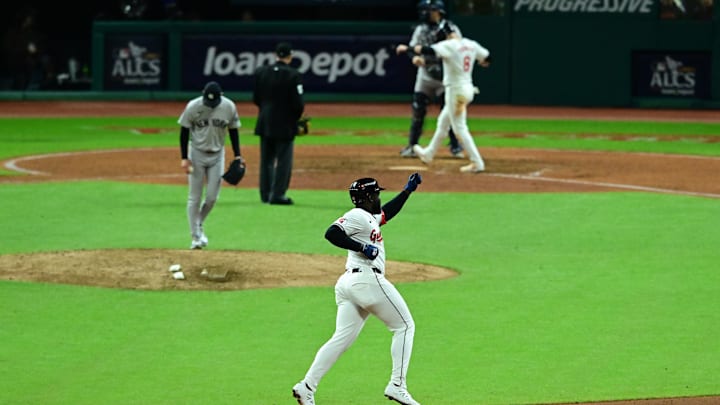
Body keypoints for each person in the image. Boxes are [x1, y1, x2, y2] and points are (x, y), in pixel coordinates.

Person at [292, 173, 423, 405]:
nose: (380, 197)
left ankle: (307, 386)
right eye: (377, 194)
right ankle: (397, 385)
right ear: (369, 196)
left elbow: (386, 214)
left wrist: (407, 191)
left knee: (341, 338)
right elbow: (332, 233)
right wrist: (361, 246)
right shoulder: (356, 215)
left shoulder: (367, 218)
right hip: (366, 280)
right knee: (404, 325)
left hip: (348, 284)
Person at [397, 20, 491, 173]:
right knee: (443, 122)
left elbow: (426, 50)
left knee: (460, 128)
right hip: (468, 89)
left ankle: (477, 162)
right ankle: (429, 153)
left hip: (456, 92)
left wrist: (407, 48)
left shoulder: (449, 45)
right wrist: (482, 62)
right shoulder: (470, 43)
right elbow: (487, 58)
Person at [178, 81, 243, 249]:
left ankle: (198, 222)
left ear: (221, 96)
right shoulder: (193, 106)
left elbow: (233, 130)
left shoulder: (229, 106)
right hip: (196, 154)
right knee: (194, 196)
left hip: (217, 155)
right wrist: (184, 157)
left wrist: (238, 155)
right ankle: (195, 237)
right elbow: (184, 131)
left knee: (212, 197)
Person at [397, 0, 464, 159]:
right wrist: (415, 58)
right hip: (425, 76)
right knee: (418, 110)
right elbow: (414, 48)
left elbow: (457, 52)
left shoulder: (451, 29)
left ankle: (455, 146)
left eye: (430, 10)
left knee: (448, 112)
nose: (426, 13)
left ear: (438, 11)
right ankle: (412, 146)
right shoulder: (421, 29)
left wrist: (426, 59)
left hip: (445, 76)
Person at [252, 41, 305, 205]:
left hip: (264, 121)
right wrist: (295, 120)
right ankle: (278, 195)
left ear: (276, 55)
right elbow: (298, 104)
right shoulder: (293, 75)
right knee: (283, 161)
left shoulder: (261, 72)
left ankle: (265, 194)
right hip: (285, 123)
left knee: (266, 160)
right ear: (290, 56)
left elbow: (256, 98)